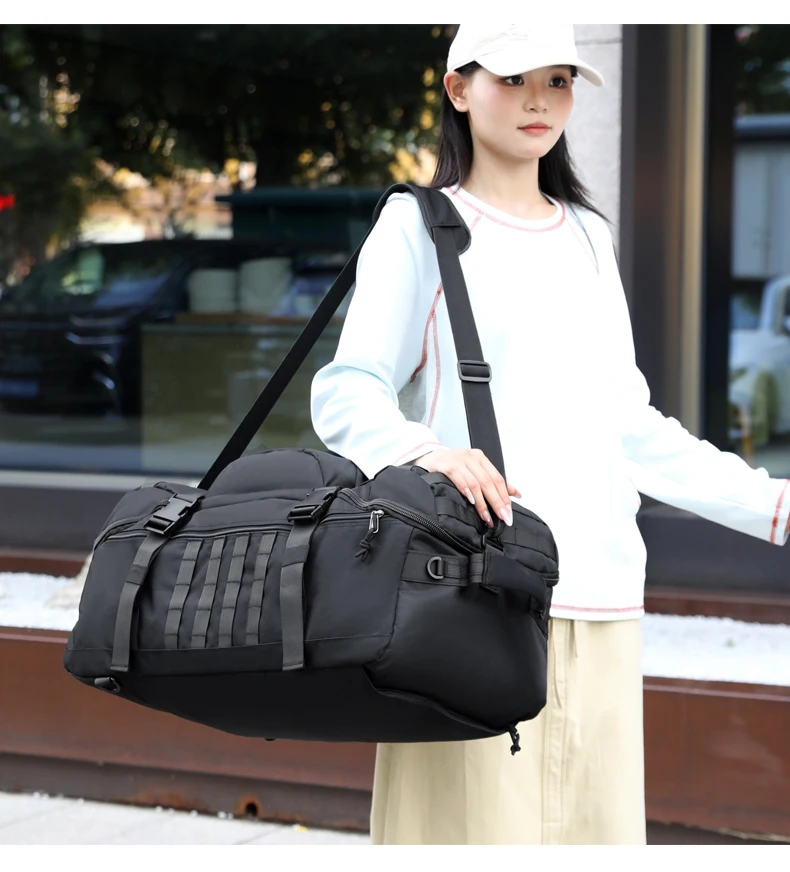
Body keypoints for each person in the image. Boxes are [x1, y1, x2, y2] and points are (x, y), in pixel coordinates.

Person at [310, 23, 790, 846]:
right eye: (513, 78)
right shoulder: (418, 226)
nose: (539, 100)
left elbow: (627, 424)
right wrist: (429, 454)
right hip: (466, 595)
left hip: (601, 597)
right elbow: (347, 389)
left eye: (558, 79)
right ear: (458, 89)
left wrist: (772, 505)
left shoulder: (588, 236)